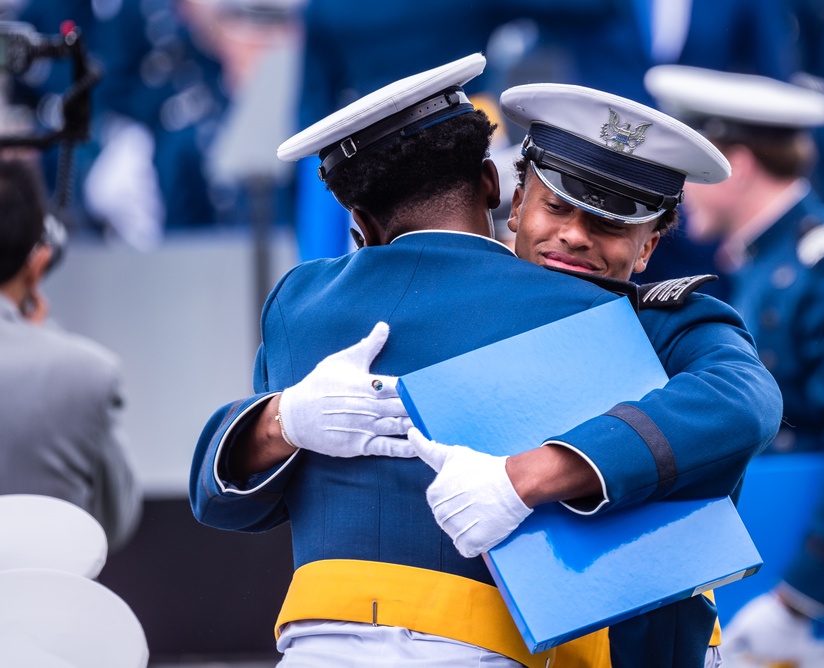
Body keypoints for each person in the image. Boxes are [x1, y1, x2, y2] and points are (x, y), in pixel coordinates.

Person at [189, 54, 781, 667]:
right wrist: (281, 419)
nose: (576, 236)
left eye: (609, 224)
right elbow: (220, 497)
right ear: (513, 198)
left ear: (650, 246)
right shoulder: (332, 310)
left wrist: (532, 474)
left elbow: (744, 400)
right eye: (558, 208)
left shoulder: (658, 322)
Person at [643, 65, 824, 668]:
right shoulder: (767, 263)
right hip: (794, 559)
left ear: (741, 165)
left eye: (695, 174)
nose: (682, 193)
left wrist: (801, 601)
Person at [0, 157, 142, 551]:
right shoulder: (88, 374)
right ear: (39, 262)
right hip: (46, 607)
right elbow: (114, 520)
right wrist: (37, 335)